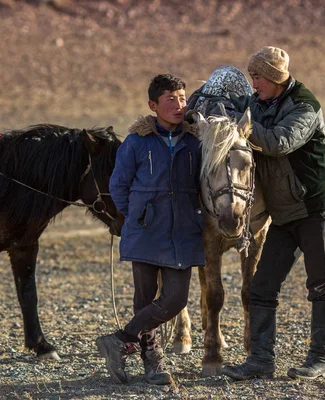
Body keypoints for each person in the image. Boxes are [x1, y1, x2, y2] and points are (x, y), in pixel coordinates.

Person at [216, 47, 325, 380]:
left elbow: (280, 142)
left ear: (273, 77)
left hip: (314, 209)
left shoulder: (305, 105)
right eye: (252, 77)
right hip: (282, 216)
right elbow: (233, 110)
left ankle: (321, 359)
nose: (252, 84)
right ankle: (261, 361)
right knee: (262, 287)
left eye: (256, 77)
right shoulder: (259, 103)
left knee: (320, 283)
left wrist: (240, 128)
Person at [96, 74, 205, 385]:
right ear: (153, 106)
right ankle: (153, 363)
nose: (179, 105)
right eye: (170, 99)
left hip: (183, 231)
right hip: (146, 232)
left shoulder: (195, 141)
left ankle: (119, 339)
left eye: (183, 98)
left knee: (176, 298)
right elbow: (118, 185)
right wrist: (139, 216)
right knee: (144, 300)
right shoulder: (136, 142)